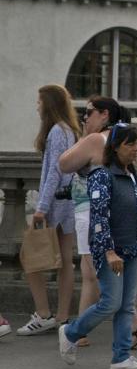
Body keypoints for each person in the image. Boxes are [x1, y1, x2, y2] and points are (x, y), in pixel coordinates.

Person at [58, 123, 137, 369]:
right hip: (111, 250)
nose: (136, 149)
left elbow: (136, 208)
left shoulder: (133, 174)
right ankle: (70, 332)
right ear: (115, 147)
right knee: (111, 303)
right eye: (130, 144)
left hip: (132, 248)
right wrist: (109, 251)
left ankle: (121, 357)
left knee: (126, 304)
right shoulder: (102, 175)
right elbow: (99, 218)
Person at [19, 84, 80, 336]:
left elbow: (55, 171)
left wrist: (41, 208)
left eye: (39, 101)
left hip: (54, 204)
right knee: (66, 261)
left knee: (30, 258)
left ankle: (43, 314)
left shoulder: (56, 131)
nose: (37, 106)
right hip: (69, 203)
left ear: (49, 104)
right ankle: (63, 318)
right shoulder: (71, 130)